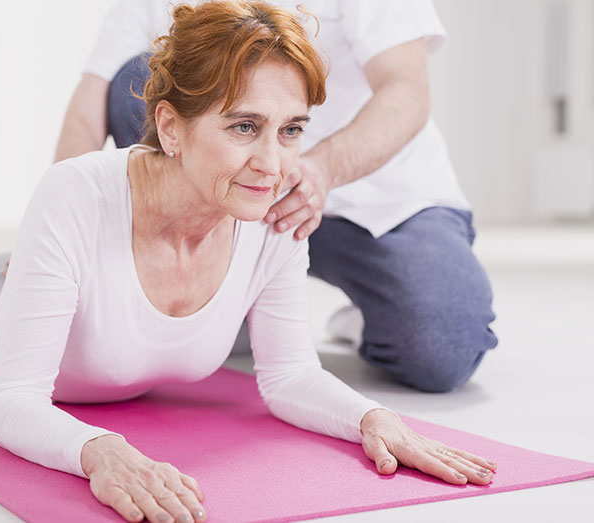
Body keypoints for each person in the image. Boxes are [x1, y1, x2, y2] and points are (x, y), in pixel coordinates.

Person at [0, 3, 496, 522]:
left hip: (126, 359)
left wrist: (370, 418)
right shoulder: (76, 192)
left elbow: (290, 372)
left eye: (291, 129)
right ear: (171, 126)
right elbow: (10, 399)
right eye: (244, 126)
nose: (273, 162)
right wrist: (99, 451)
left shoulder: (272, 209)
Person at [58, 0, 498, 393]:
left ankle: (358, 315)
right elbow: (88, 108)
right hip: (229, 196)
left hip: (375, 198)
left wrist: (322, 169)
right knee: (133, 78)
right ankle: (222, 292)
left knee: (443, 344)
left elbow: (406, 89)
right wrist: (64, 235)